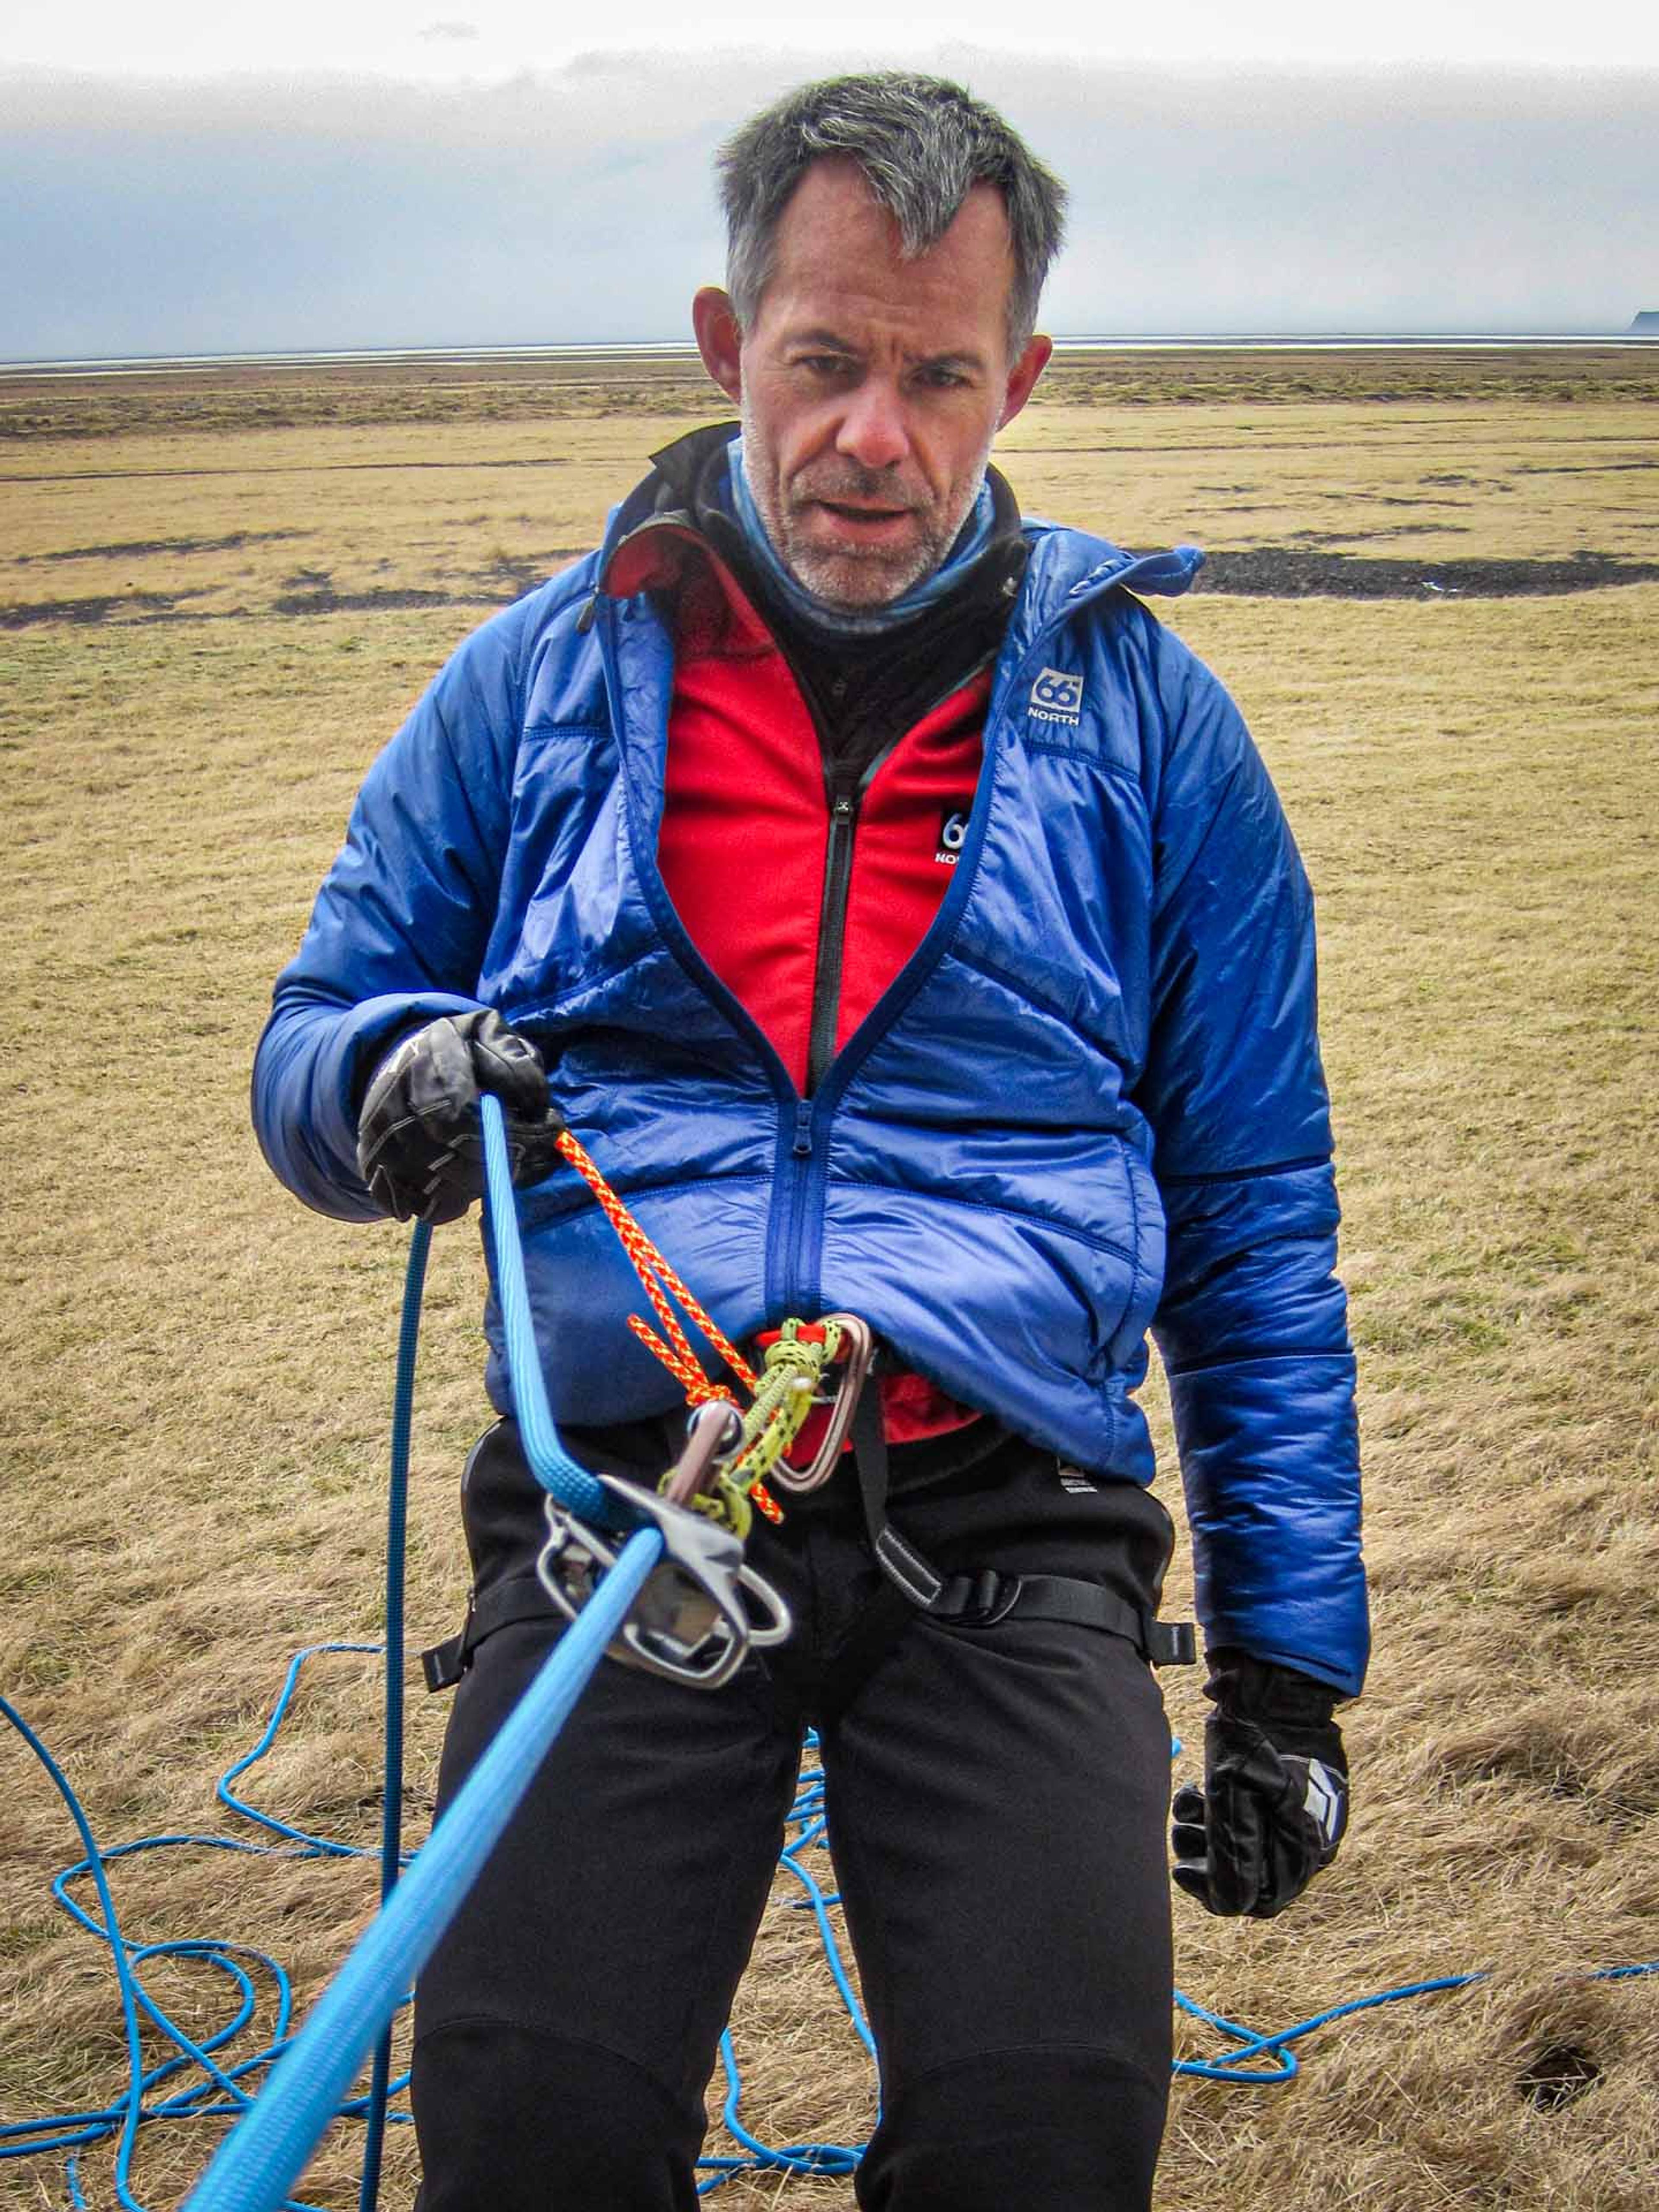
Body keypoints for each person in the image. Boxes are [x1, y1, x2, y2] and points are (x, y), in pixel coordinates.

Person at [253, 70, 1367, 2212]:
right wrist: (388, 1081)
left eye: (940, 376)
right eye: (825, 361)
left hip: (1014, 1512)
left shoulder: (1154, 729)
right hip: (625, 1515)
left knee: (1048, 2141)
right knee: (529, 2139)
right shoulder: (537, 682)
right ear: (722, 340)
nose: (877, 435)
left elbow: (1253, 1212)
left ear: (1018, 375)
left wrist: (1291, 1677)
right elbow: (310, 1036)